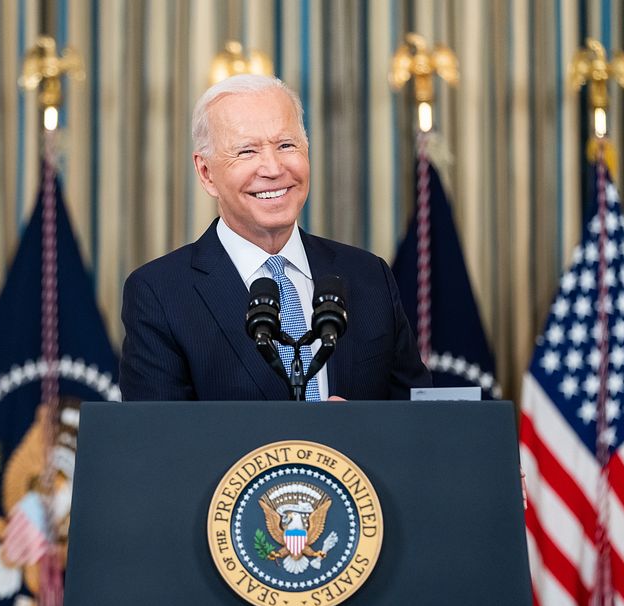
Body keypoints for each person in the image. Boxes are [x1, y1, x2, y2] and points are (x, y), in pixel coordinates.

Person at [119, 74, 431, 401]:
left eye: (286, 145)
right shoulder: (160, 294)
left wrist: (356, 432)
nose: (272, 167)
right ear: (206, 173)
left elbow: (422, 425)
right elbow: (159, 443)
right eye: (247, 151)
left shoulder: (370, 277)